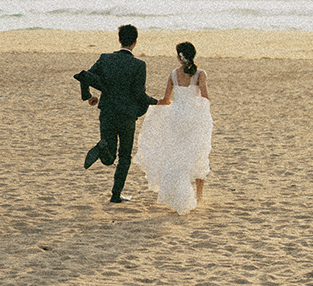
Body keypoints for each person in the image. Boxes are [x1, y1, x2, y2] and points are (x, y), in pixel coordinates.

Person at [74, 24, 158, 203]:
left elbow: (85, 75)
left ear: (119, 40)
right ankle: (115, 194)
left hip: (107, 112)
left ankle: (102, 146)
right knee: (124, 156)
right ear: (135, 42)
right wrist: (157, 102)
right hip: (127, 116)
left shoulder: (105, 59)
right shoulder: (139, 65)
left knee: (109, 156)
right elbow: (139, 94)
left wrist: (88, 96)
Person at [133, 41, 213, 215]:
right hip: (193, 118)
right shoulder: (200, 74)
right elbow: (205, 97)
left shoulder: (173, 74)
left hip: (176, 117)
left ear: (179, 58)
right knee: (198, 154)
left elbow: (166, 99)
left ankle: (179, 193)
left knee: (177, 155)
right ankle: (199, 196)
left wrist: (157, 107)